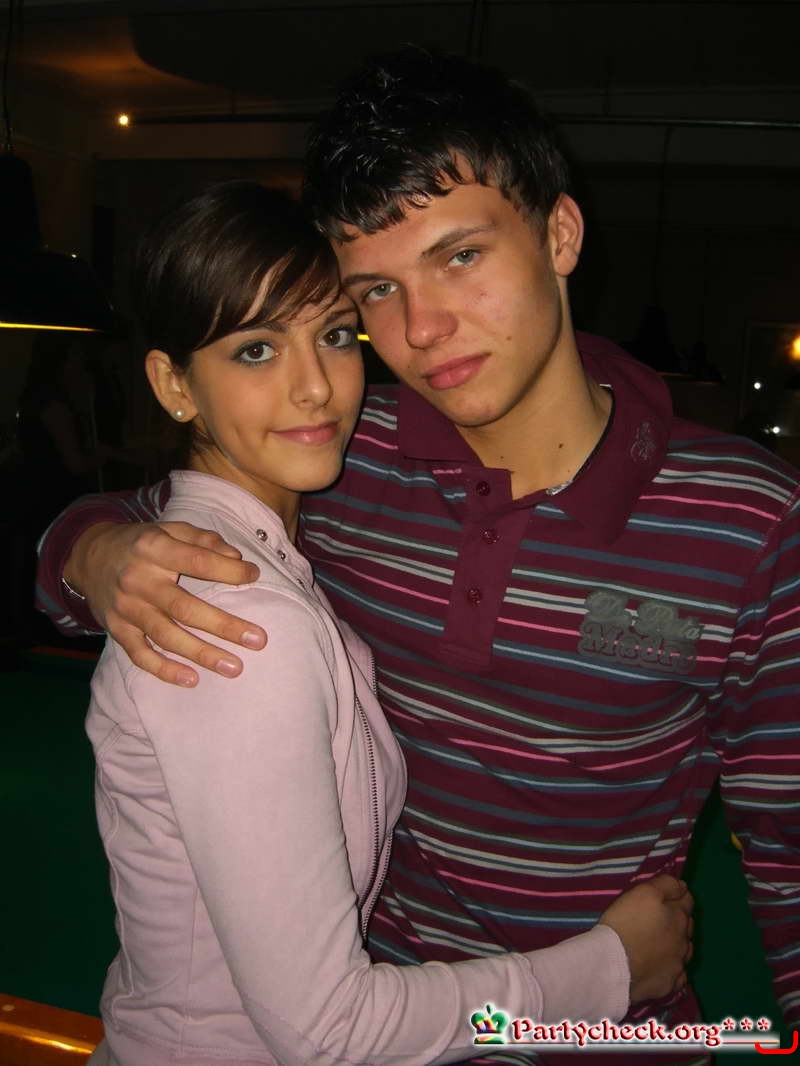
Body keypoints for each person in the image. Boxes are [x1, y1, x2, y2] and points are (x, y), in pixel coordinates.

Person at [37, 49, 799, 1063]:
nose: (422, 327)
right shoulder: (334, 454)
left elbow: (788, 846)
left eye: (460, 256)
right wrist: (95, 553)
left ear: (559, 234)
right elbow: (138, 527)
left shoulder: (747, 518)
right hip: (392, 1026)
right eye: (376, 292)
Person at [81, 179, 692, 1066]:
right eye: (256, 350)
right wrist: (609, 968)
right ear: (175, 385)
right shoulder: (238, 616)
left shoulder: (262, 555)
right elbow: (330, 1032)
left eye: (334, 335)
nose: (316, 388)